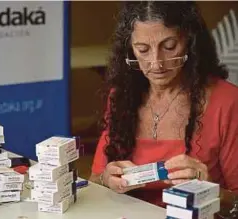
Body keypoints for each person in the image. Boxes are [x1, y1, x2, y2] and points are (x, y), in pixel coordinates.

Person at [89, 1, 238, 207]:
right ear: (130, 49)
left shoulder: (227, 101)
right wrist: (106, 180)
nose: (156, 63)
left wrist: (211, 191)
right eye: (143, 49)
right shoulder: (121, 96)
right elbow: (94, 180)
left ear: (189, 40)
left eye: (169, 47)